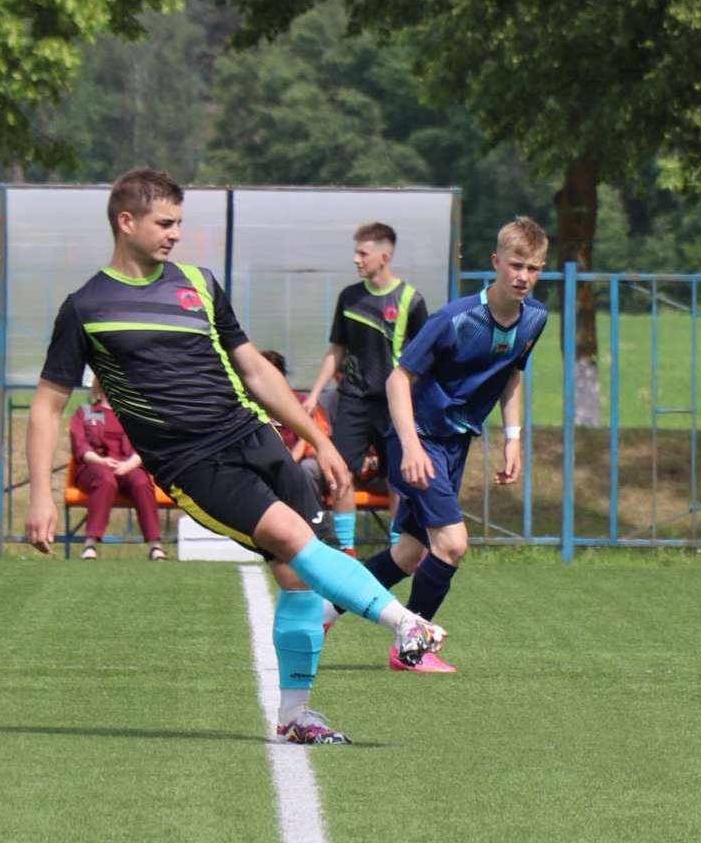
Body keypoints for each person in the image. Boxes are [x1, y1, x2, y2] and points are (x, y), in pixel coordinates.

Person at [25, 167, 447, 745]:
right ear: (126, 222)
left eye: (179, 222)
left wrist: (319, 439)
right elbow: (47, 406)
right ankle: (405, 624)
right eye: (164, 223)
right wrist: (41, 495)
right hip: (192, 464)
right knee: (291, 538)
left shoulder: (198, 284)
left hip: (252, 435)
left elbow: (254, 370)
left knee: (300, 577)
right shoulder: (86, 307)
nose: (176, 233)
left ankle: (296, 714)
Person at [325, 215, 548, 674]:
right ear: (496, 262)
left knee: (408, 553)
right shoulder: (454, 319)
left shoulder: (535, 319)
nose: (523, 276)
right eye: (516, 265)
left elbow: (512, 375)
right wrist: (409, 446)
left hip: (455, 443)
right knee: (452, 544)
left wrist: (513, 439)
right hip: (421, 438)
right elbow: (398, 379)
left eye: (533, 268)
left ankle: (323, 610)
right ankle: (412, 647)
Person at [306, 222, 428, 554]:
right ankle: (346, 551)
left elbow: (424, 358)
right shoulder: (349, 297)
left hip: (394, 404)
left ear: (384, 257)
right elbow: (336, 349)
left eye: (363, 253)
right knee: (341, 472)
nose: (356, 259)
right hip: (354, 399)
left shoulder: (411, 301)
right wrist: (314, 395)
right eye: (356, 253)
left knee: (397, 478)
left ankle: (397, 550)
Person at [68, 379, 166, 561]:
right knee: (105, 479)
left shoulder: (134, 416)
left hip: (128, 466)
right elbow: (80, 445)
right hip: (94, 466)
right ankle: (90, 544)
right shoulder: (85, 412)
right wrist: (101, 461)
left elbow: (146, 446)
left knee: (141, 481)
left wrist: (129, 465)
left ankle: (155, 546)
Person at [258, 348, 336, 548]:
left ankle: (314, 528)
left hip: (298, 464)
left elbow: (310, 438)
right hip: (267, 464)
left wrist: (288, 461)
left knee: (306, 468)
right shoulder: (250, 404)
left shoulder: (302, 402)